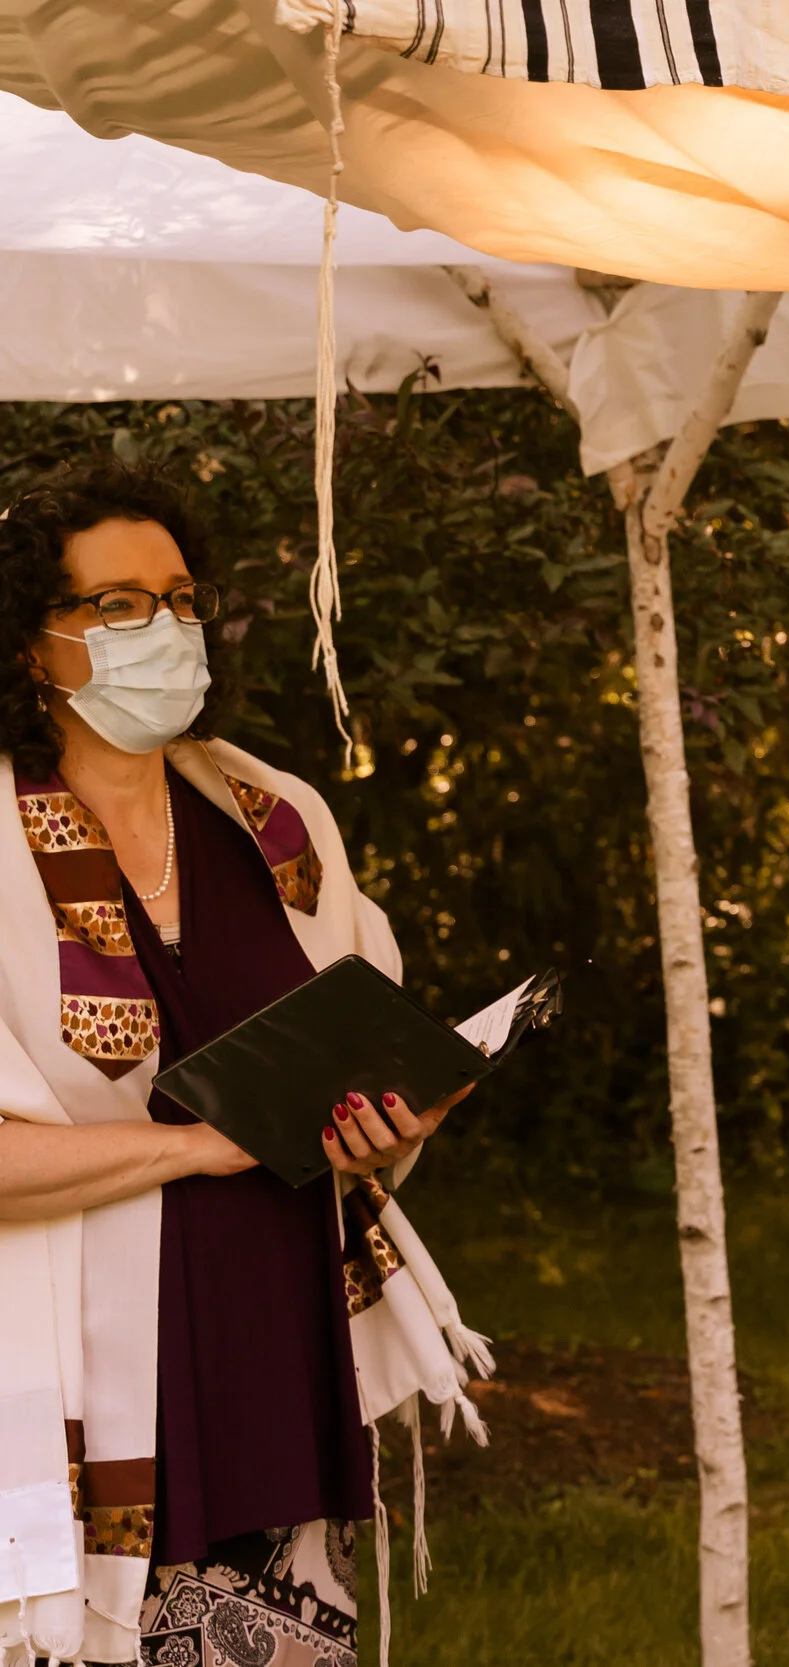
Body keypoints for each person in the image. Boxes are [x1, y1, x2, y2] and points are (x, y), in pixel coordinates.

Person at [0, 459, 488, 1667]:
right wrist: (200, 1143)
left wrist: (396, 1128)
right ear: (31, 646)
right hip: (73, 1372)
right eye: (116, 605)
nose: (161, 628)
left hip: (275, 1337)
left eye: (177, 596)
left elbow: (361, 1054)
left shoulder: (278, 815)